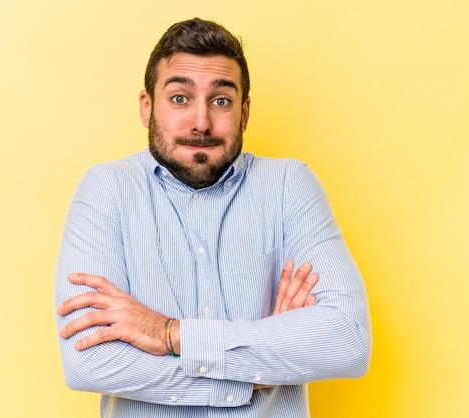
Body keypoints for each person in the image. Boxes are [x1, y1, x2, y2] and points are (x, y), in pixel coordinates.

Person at [54, 17, 371, 418]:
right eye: (180, 98)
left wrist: (170, 334)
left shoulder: (290, 185)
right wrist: (260, 368)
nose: (201, 122)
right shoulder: (107, 190)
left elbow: (348, 341)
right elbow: (89, 363)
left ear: (244, 113)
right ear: (147, 106)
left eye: (221, 100)